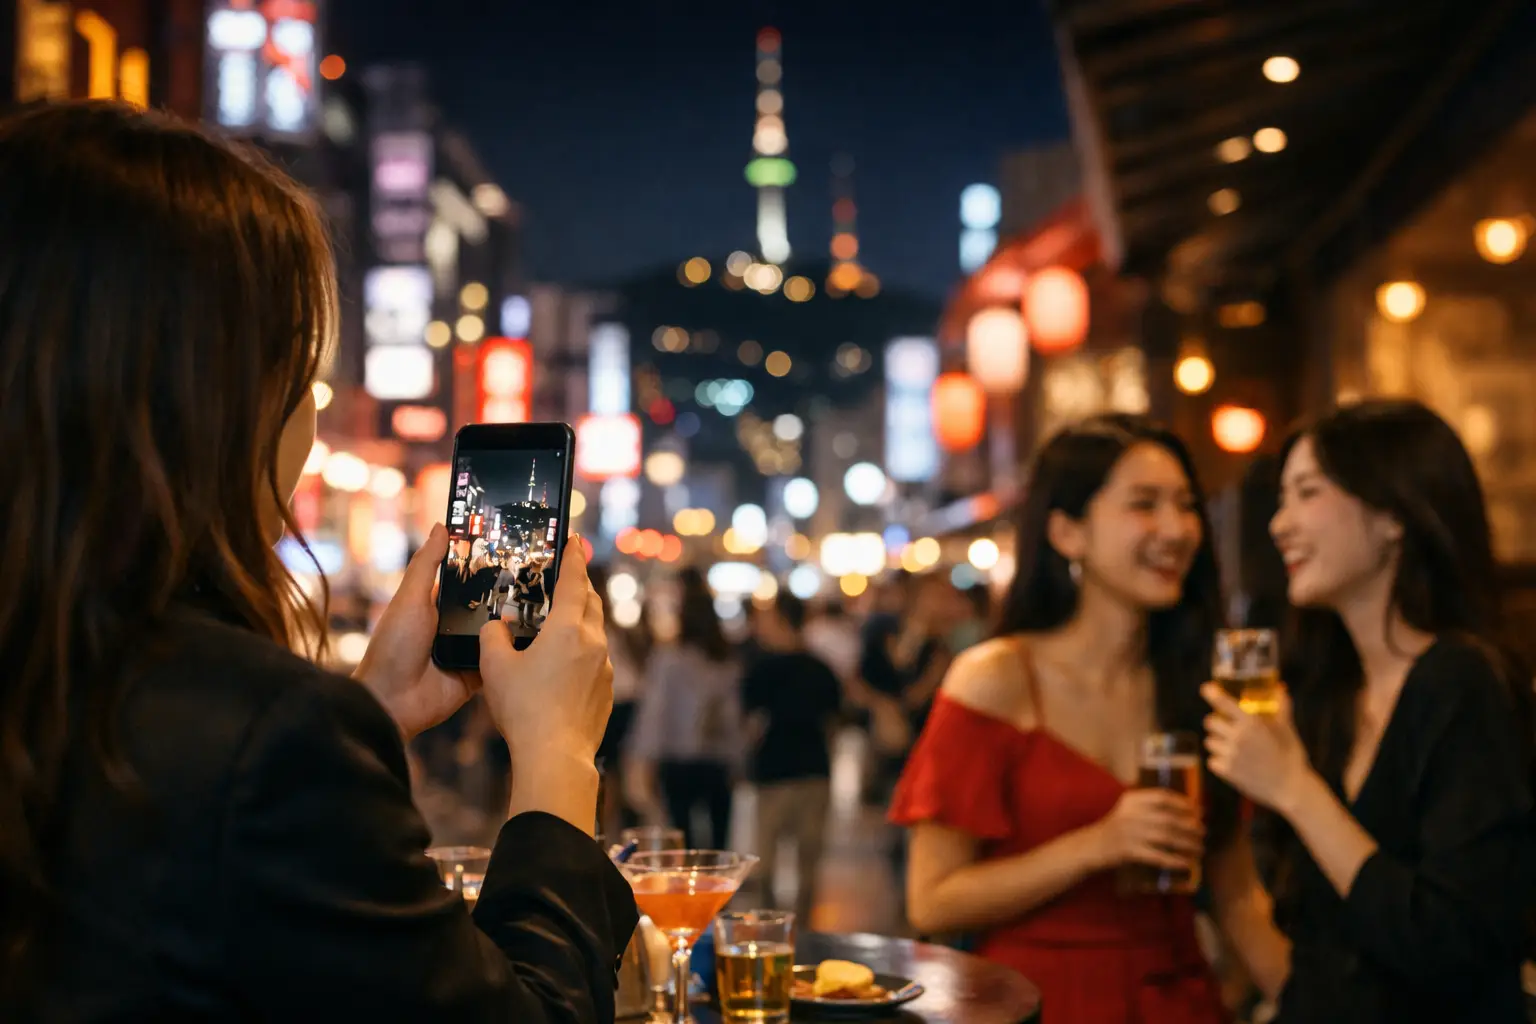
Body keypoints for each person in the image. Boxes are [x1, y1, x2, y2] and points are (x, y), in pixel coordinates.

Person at [0, 102, 635, 1021]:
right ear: (220, 396)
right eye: (301, 366)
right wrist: (556, 761)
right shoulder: (261, 735)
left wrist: (364, 718)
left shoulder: (69, 668)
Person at [1202, 399, 1536, 1023]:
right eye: (1281, 498)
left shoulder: (1461, 682)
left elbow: (1453, 943)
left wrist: (1294, 788)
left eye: (1308, 493)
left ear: (1393, 517)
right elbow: (1307, 929)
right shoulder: (1325, 690)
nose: (1279, 524)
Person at [891, 414, 1232, 1023]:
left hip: (1179, 999)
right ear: (1067, 532)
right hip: (1039, 1002)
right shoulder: (998, 678)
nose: (1178, 529)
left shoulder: (1197, 681)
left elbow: (1239, 895)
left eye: (1186, 505)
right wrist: (1098, 844)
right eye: (1144, 504)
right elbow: (932, 901)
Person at [742, 593, 844, 922]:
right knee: (808, 861)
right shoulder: (821, 669)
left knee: (766, 860)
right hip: (815, 771)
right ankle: (803, 928)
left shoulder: (760, 669)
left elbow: (749, 725)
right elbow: (834, 723)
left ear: (781, 621)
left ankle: (769, 927)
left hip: (773, 773)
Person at [629, 568, 744, 849]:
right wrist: (738, 759)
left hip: (677, 759)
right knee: (719, 841)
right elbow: (733, 716)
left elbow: (655, 713)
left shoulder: (669, 659)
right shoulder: (725, 661)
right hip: (717, 758)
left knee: (682, 839)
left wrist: (643, 758)